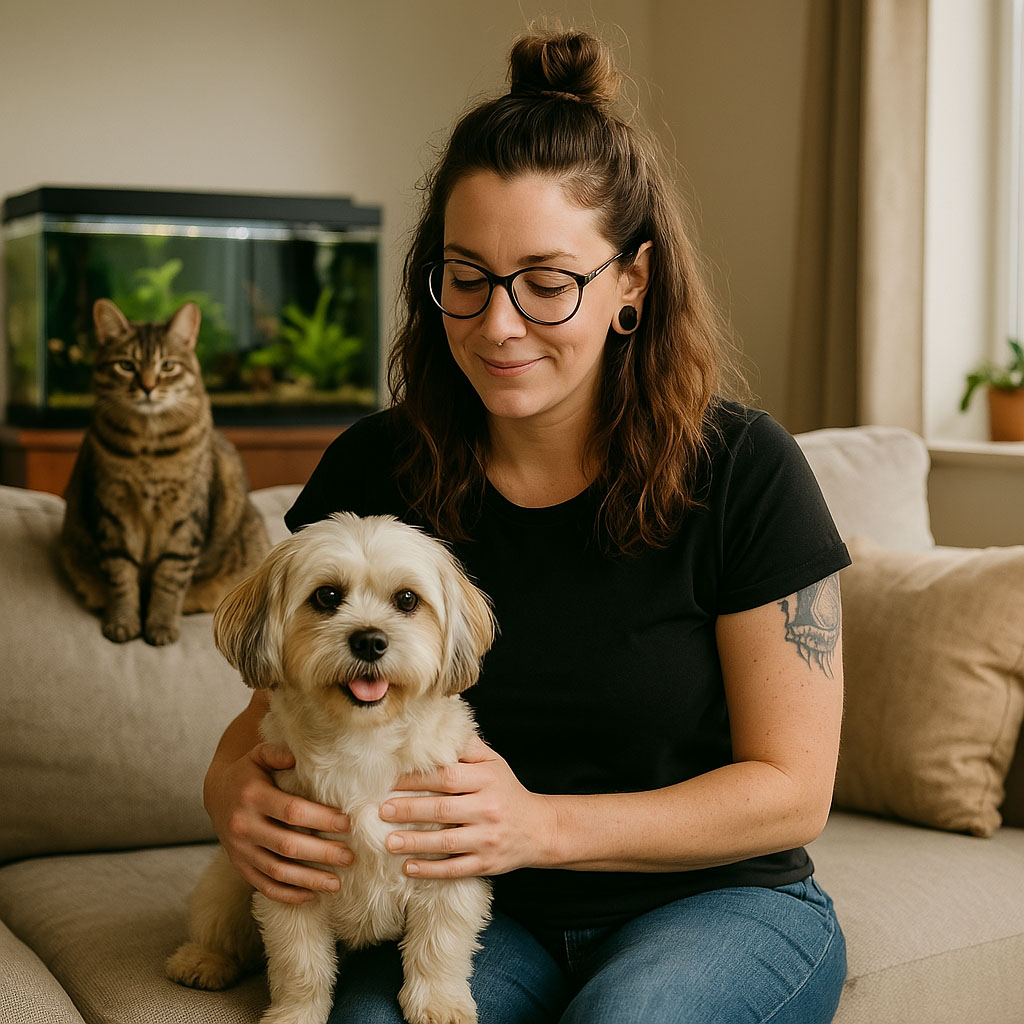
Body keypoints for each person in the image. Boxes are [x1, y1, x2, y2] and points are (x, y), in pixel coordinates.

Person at [203, 29, 850, 1024]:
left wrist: (538, 825)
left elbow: (792, 791)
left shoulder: (745, 471)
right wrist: (237, 808)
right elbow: (256, 736)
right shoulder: (374, 469)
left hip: (717, 899)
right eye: (466, 276)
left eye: (547, 281)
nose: (498, 323)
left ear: (631, 282)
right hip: (468, 915)